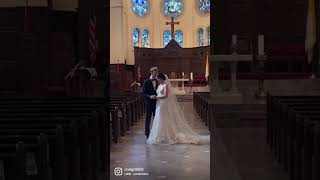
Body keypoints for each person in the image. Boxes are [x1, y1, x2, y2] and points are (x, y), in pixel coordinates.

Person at [147, 73, 210, 145]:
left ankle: (166, 135)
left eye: (158, 78)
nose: (157, 79)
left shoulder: (165, 85)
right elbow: (159, 93)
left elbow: (166, 95)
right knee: (159, 118)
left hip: (163, 103)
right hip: (159, 104)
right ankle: (160, 135)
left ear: (161, 78)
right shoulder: (160, 85)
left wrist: (156, 97)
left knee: (163, 118)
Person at [143, 67, 159, 139]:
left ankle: (156, 132)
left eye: (156, 72)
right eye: (154, 72)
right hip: (149, 102)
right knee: (148, 118)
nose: (155, 74)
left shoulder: (159, 81)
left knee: (157, 118)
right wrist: (149, 96)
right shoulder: (146, 81)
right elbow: (144, 93)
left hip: (157, 103)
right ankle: (147, 133)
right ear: (151, 72)